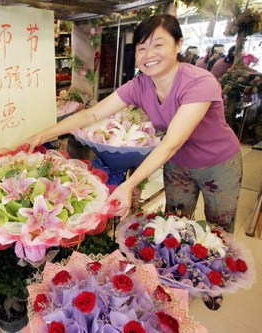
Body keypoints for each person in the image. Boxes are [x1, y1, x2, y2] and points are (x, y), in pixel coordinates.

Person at [24, 14, 241, 233]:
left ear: (178, 45)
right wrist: (43, 135)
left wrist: (129, 185)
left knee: (219, 229)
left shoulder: (199, 82)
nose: (149, 55)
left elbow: (171, 142)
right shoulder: (140, 85)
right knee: (174, 224)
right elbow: (92, 115)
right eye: (142, 48)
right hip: (177, 163)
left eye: (158, 45)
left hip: (218, 162)